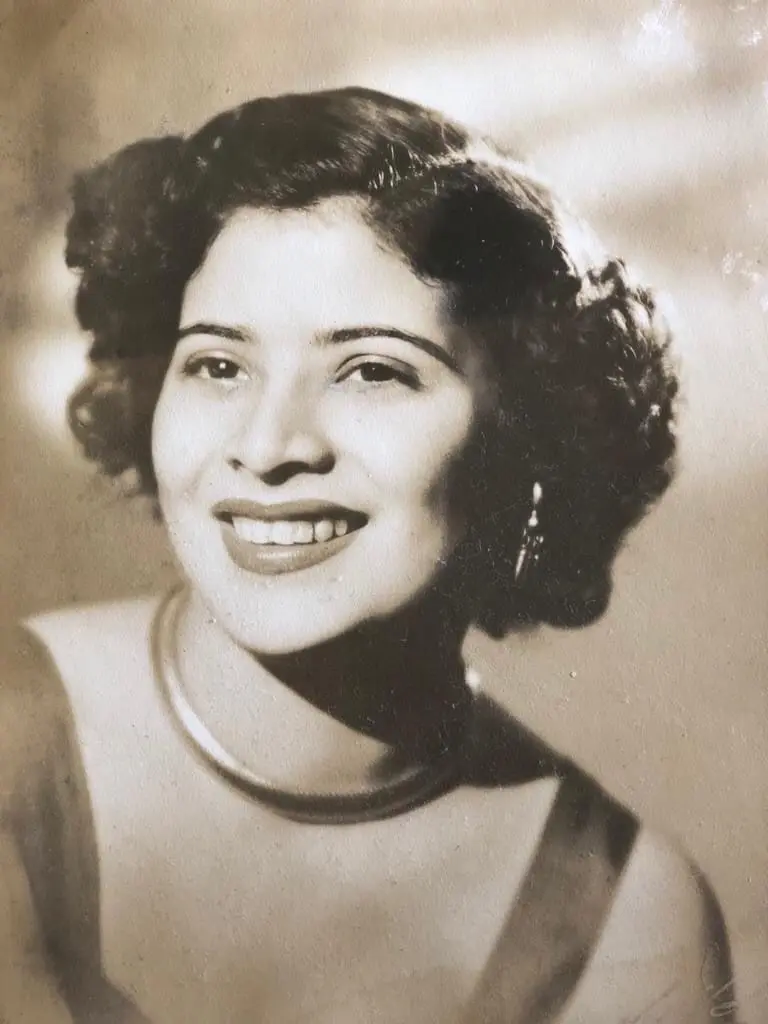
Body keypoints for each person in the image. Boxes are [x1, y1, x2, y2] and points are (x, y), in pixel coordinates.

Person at [0, 86, 735, 1023]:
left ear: (527, 437)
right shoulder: (14, 737)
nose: (269, 446)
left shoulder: (625, 921)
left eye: (373, 371)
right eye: (218, 365)